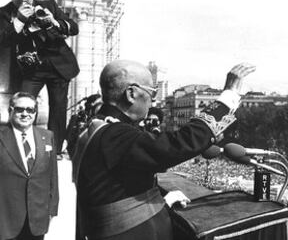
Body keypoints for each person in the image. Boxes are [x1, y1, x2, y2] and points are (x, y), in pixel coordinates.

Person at [72, 60, 255, 240]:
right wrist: (229, 95)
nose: (153, 101)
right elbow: (176, 145)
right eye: (153, 93)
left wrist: (163, 199)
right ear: (131, 93)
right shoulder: (114, 134)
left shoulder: (96, 128)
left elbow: (118, 185)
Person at [0, 0, 80, 156]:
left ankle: (54, 152)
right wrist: (19, 20)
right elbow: (2, 41)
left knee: (58, 110)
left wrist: (54, 22)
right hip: (31, 70)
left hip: (59, 66)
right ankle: (21, 149)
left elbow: (73, 27)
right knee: (23, 105)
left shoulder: (48, 5)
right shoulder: (3, 14)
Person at [0, 92, 59, 240]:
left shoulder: (47, 136)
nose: (25, 114)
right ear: (11, 110)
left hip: (37, 220)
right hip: (5, 220)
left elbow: (52, 177)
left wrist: (52, 209)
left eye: (30, 110)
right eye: (20, 109)